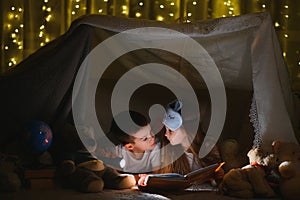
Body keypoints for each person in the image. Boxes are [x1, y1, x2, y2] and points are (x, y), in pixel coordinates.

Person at [138, 99, 224, 186]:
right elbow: (161, 176)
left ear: (187, 130)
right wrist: (149, 177)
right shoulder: (167, 150)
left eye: (171, 131)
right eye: (165, 129)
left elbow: (216, 173)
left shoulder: (208, 145)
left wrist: (218, 174)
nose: (165, 134)